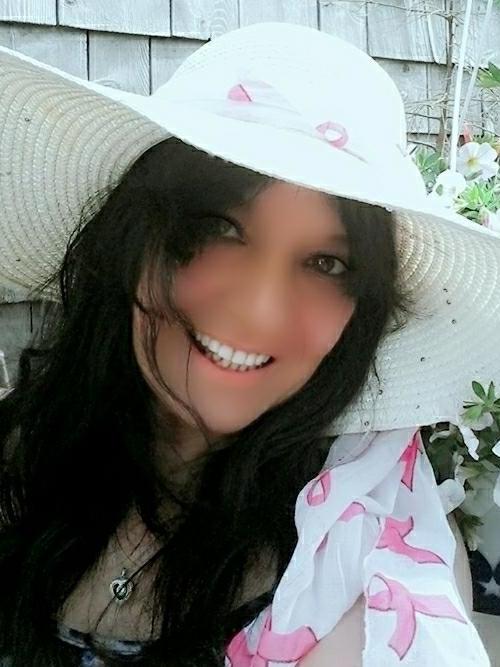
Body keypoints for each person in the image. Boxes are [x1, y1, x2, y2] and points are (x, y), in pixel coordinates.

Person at [0, 21, 497, 667]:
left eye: (326, 264)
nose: (261, 313)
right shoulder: (21, 452)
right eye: (221, 230)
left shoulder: (359, 561)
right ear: (134, 239)